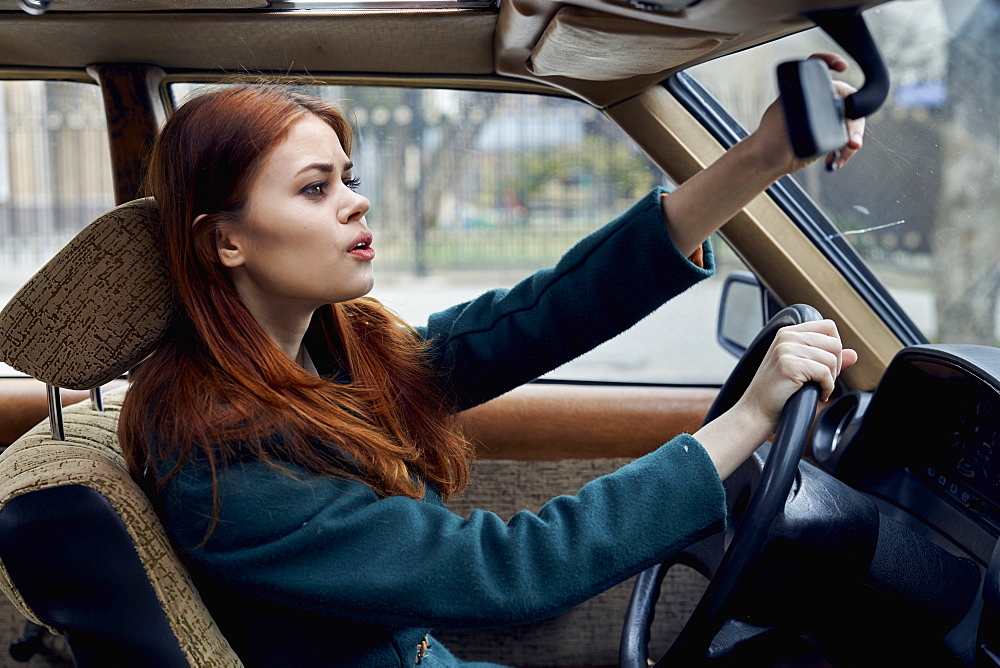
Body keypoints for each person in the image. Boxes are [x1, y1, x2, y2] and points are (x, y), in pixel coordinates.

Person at [119, 54, 864, 667]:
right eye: (316, 189)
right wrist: (749, 421)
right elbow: (510, 570)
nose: (355, 203)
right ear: (225, 242)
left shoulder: (332, 356)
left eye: (348, 178)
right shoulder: (223, 456)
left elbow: (538, 318)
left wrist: (763, 157)